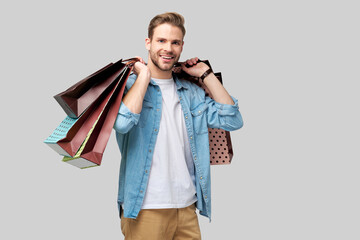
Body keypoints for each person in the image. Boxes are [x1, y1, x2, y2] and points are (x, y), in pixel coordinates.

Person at [113, 12, 243, 239]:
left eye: (175, 42)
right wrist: (143, 77)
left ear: (182, 46)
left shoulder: (190, 91)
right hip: (145, 208)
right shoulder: (129, 86)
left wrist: (206, 74)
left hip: (186, 207)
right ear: (148, 43)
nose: (168, 48)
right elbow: (122, 124)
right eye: (161, 41)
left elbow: (232, 119)